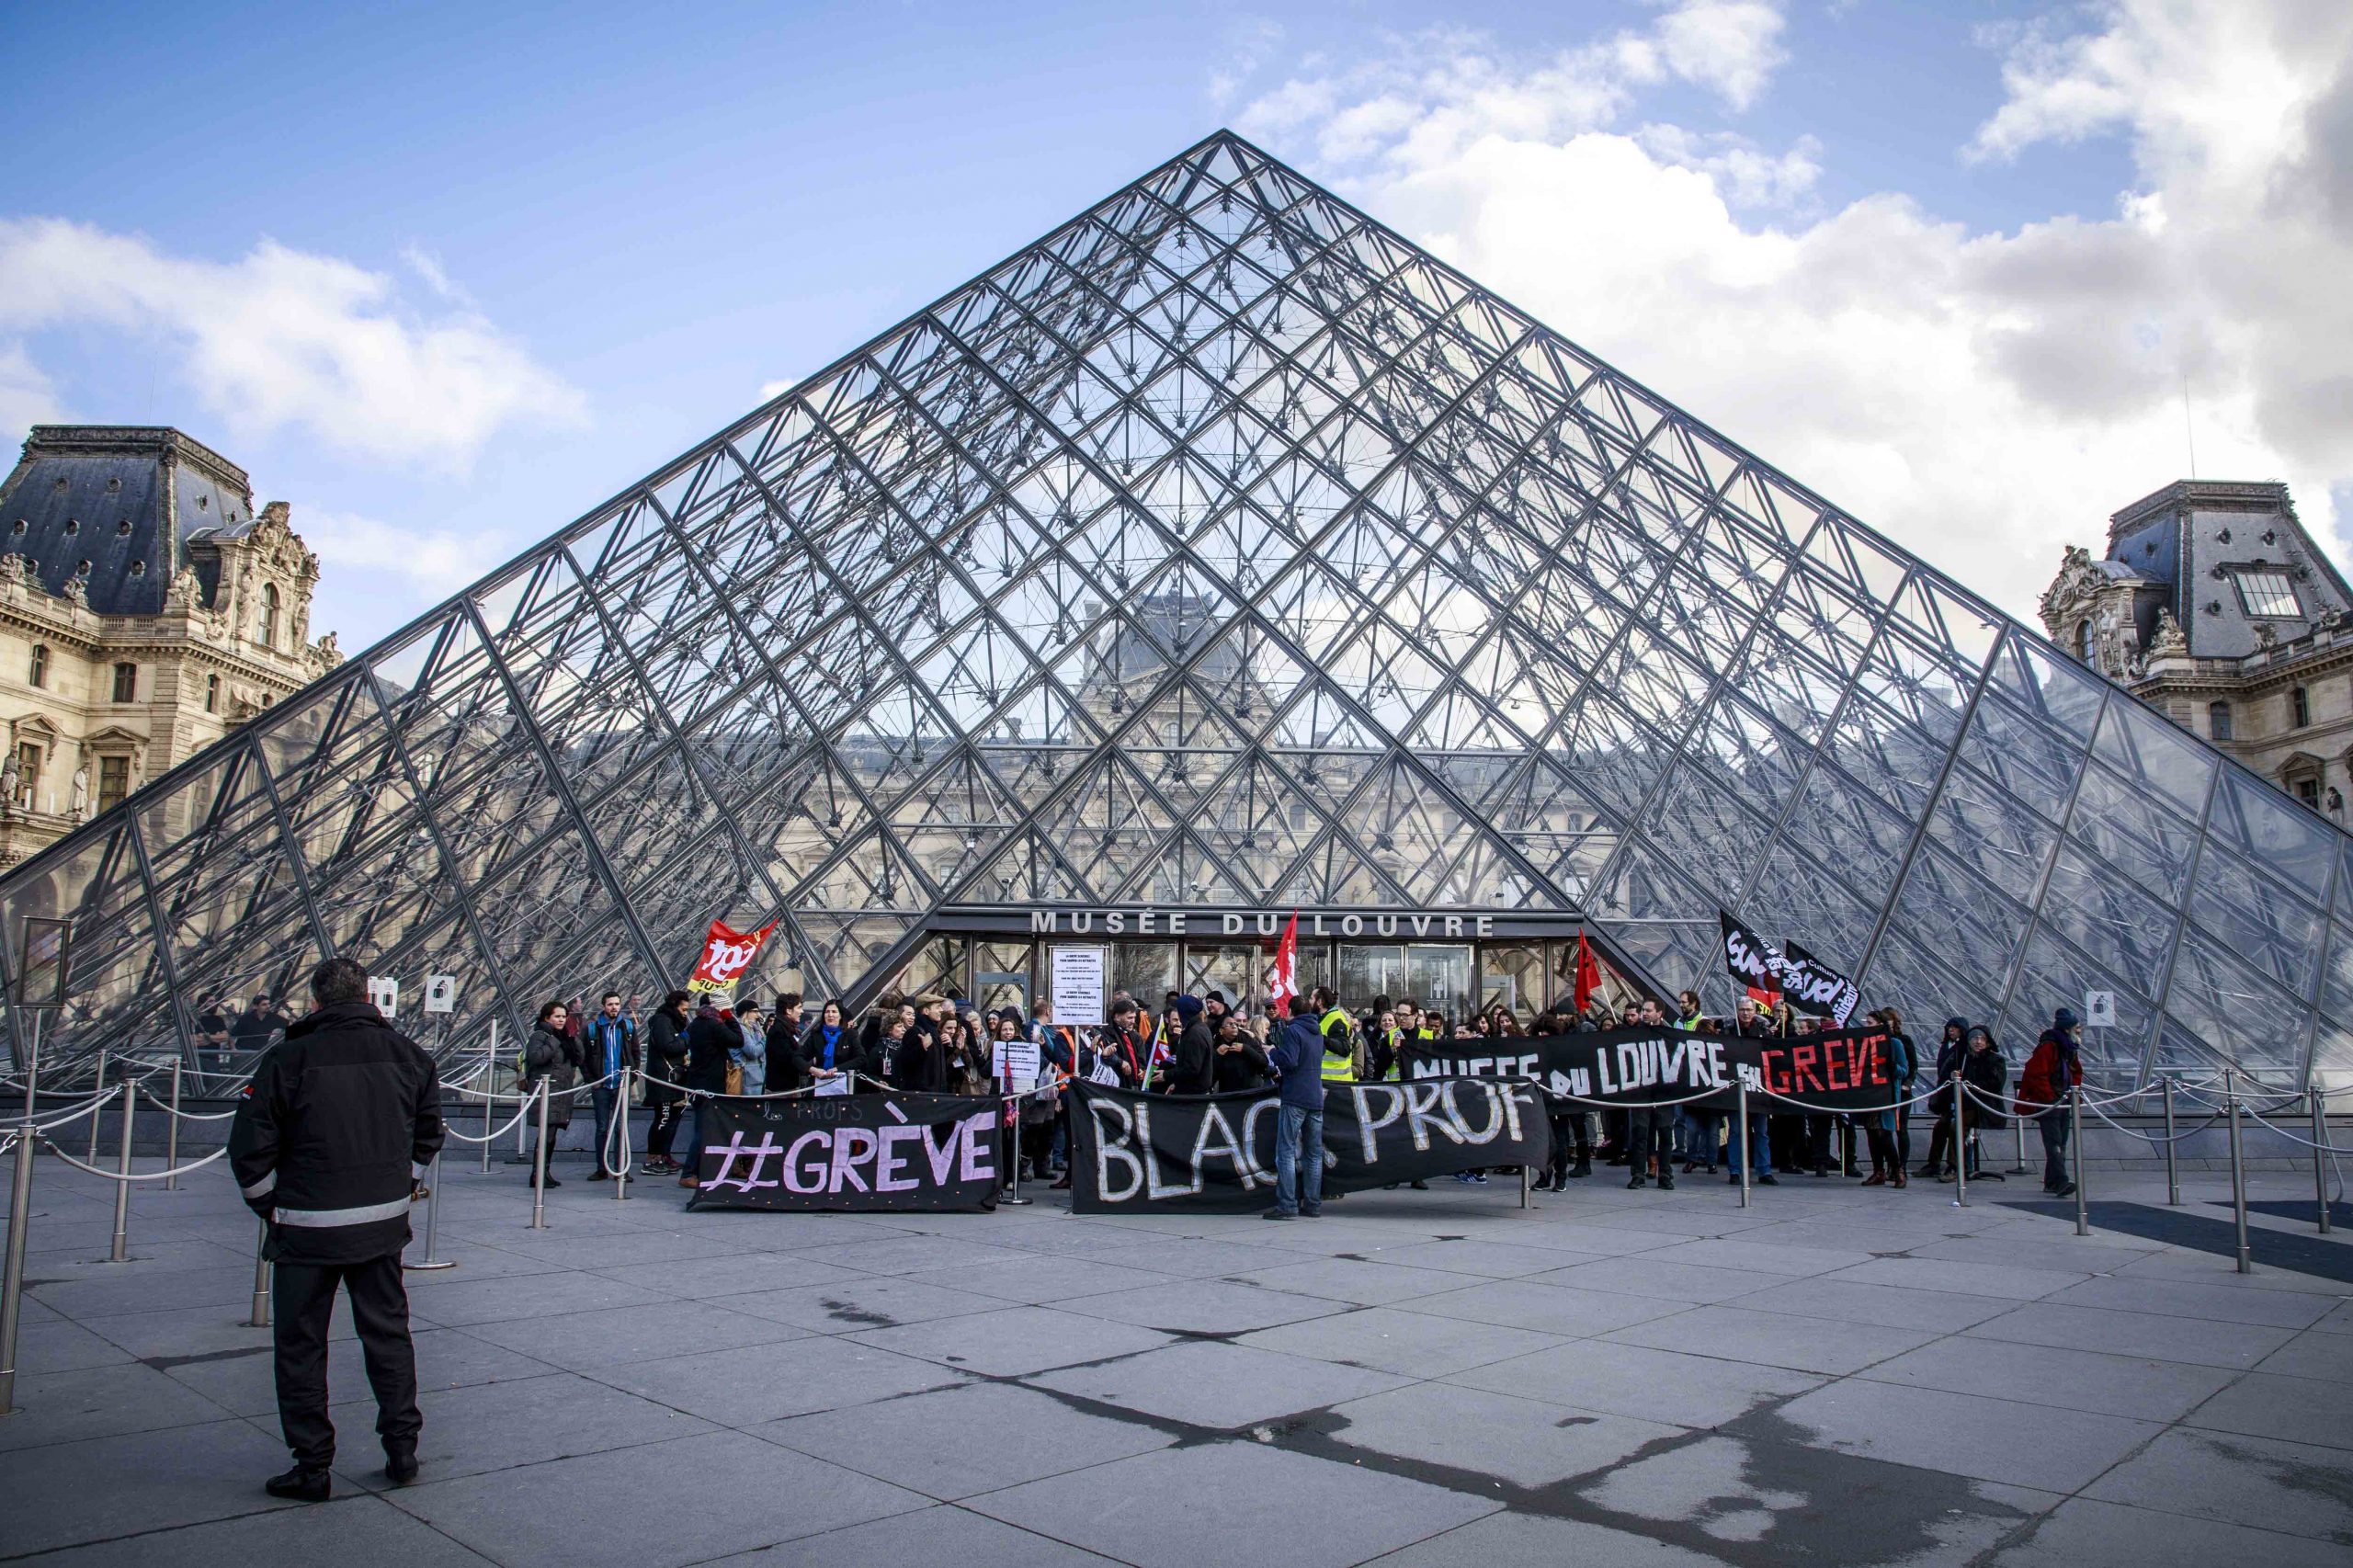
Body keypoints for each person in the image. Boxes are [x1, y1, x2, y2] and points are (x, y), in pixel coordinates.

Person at [230, 957, 443, 1501]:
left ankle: (312, 1465)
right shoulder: (410, 1056)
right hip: (380, 1226)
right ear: (370, 997)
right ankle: (402, 1451)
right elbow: (429, 1132)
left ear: (317, 1001)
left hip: (305, 1227)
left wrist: (271, 1207)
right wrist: (404, 1185)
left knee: (301, 1347)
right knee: (389, 1338)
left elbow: (249, 1149)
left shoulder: (288, 1057)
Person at [1264, 997, 1326, 1220]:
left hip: (1295, 1096)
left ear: (1291, 1011)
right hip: (1315, 1096)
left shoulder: (1293, 1031)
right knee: (1313, 1154)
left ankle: (1287, 1205)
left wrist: (1272, 1050)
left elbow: (1288, 1061)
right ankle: (1312, 1204)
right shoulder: (1317, 1032)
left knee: (1286, 1151)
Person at [2018, 1007, 2081, 1197]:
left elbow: (2076, 1072)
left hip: (2063, 1100)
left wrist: (2072, 1092)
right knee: (2054, 1143)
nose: (2079, 1030)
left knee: (2060, 1142)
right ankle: (2060, 1181)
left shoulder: (2067, 1048)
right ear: (2067, 1029)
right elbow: (2037, 1073)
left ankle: (2051, 1182)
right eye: (2077, 1027)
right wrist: (2050, 1097)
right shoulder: (2050, 1047)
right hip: (2051, 1102)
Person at [519, 1000, 581, 1189]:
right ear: (547, 1017)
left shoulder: (564, 1037)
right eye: (557, 1016)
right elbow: (536, 1057)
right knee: (547, 1135)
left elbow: (579, 1058)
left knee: (551, 1136)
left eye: (564, 1016)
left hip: (559, 1092)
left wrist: (572, 1037)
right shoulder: (540, 1035)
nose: (561, 1020)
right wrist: (555, 1040)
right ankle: (538, 1174)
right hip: (547, 1091)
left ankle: (543, 1172)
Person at [676, 996, 736, 1187]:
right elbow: (738, 1040)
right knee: (703, 1130)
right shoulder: (715, 1025)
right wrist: (730, 1017)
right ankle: (689, 1172)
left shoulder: (695, 1025)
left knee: (701, 1128)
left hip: (696, 1083)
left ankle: (696, 1171)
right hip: (710, 1085)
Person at [582, 993, 639, 1182]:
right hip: (602, 1086)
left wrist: (630, 1079)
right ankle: (602, 1168)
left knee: (620, 1128)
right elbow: (584, 1058)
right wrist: (593, 1080)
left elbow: (635, 1053)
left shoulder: (627, 1026)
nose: (614, 1007)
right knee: (602, 1128)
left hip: (621, 1086)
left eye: (617, 1004)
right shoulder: (592, 1029)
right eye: (610, 1004)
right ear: (603, 1006)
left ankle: (620, 1168)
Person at [1724, 995, 1779, 1187]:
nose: (1745, 1013)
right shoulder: (1728, 1029)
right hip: (1736, 1088)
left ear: (1755, 1011)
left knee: (1761, 1132)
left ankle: (1764, 1170)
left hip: (1758, 1089)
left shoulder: (1764, 1030)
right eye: (1742, 1010)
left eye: (1749, 1010)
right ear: (1737, 1011)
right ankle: (1736, 1170)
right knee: (1737, 1131)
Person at [1859, 1009, 1914, 1188]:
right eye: (1866, 1022)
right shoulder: (1863, 1044)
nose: (1867, 1026)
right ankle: (1878, 1171)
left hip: (1886, 1095)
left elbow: (1904, 1070)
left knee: (1884, 1134)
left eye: (1870, 1023)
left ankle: (1897, 1170)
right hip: (1869, 1095)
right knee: (1872, 1133)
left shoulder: (1895, 1043)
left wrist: (1891, 1066)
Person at [642, 991, 690, 1174]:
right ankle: (652, 1159)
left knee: (670, 1120)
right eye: (683, 1009)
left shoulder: (671, 1021)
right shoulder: (662, 1021)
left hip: (672, 1080)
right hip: (663, 1080)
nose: (685, 1013)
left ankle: (663, 1156)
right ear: (674, 1006)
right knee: (662, 1119)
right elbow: (668, 1046)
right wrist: (686, 1039)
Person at [1917, 1017, 1970, 1180]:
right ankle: (1934, 1164)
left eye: (1955, 1027)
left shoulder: (1964, 1048)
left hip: (1962, 1098)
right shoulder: (1946, 1046)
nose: (1951, 1030)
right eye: (1949, 1027)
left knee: (1954, 1129)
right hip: (1947, 1096)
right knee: (1940, 1128)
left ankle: (1953, 1166)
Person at [800, 999, 860, 1094]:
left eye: (834, 1012)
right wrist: (812, 1069)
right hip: (819, 1085)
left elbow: (861, 1058)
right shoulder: (816, 1035)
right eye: (827, 1012)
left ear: (840, 1015)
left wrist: (837, 1069)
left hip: (844, 1086)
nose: (830, 1015)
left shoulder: (850, 1035)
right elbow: (798, 1057)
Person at [733, 1004, 768, 1096]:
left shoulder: (755, 1028)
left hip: (757, 1077)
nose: (758, 1015)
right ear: (746, 1012)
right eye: (755, 1011)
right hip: (748, 1079)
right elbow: (752, 1051)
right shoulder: (742, 1029)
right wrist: (764, 1040)